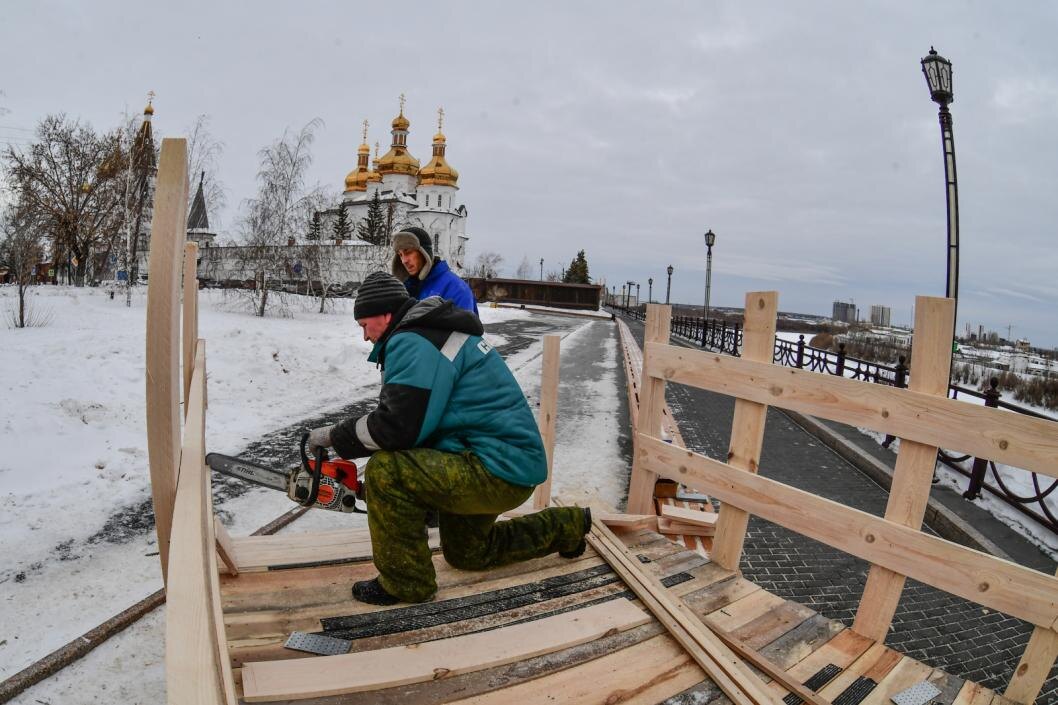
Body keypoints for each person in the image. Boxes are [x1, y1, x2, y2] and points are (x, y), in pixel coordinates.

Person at [308, 271, 590, 605]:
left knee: (386, 472)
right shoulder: (431, 333)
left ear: (385, 314)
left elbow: (399, 428)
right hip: (503, 464)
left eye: (364, 324)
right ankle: (568, 526)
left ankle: (407, 582)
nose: (365, 336)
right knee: (469, 552)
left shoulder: (413, 341)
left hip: (493, 468)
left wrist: (334, 438)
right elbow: (423, 422)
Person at [391, 226, 478, 315]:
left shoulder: (457, 289)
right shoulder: (403, 289)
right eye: (400, 255)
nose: (403, 260)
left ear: (424, 252)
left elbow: (465, 328)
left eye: (408, 252)